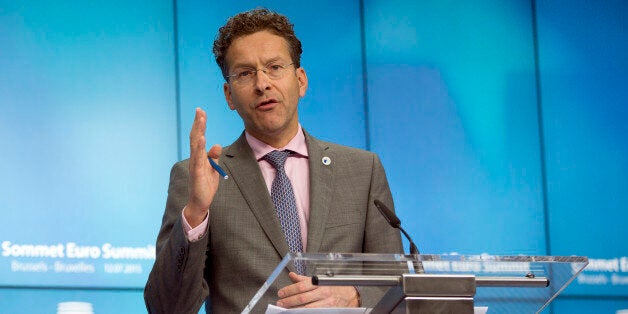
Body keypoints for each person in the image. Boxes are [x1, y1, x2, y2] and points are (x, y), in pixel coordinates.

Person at [144, 8, 403, 313]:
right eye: (245, 73)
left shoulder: (362, 170)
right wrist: (197, 213)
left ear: (301, 80)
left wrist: (356, 296)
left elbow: (397, 283)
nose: (262, 83)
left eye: (274, 67)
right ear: (229, 96)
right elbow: (166, 307)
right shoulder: (200, 177)